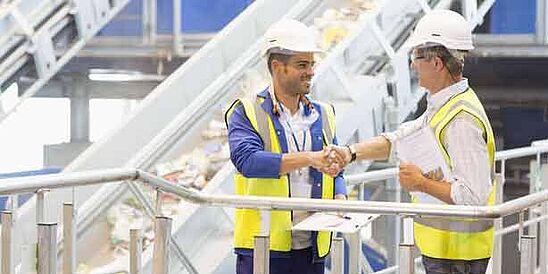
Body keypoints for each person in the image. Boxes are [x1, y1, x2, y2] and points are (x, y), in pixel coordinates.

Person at [330, 10, 496, 274]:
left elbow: (472, 198)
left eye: (416, 56)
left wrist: (421, 184)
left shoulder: (461, 120)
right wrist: (350, 153)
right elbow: (399, 139)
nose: (412, 65)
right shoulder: (443, 105)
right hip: (445, 252)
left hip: (459, 256)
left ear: (437, 63)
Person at [225, 19, 347, 274]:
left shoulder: (324, 114)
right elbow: (249, 162)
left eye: (312, 64)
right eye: (302, 65)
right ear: (277, 67)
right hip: (263, 245)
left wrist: (340, 197)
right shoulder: (246, 111)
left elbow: (335, 167)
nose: (311, 71)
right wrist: (310, 158)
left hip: (312, 246)